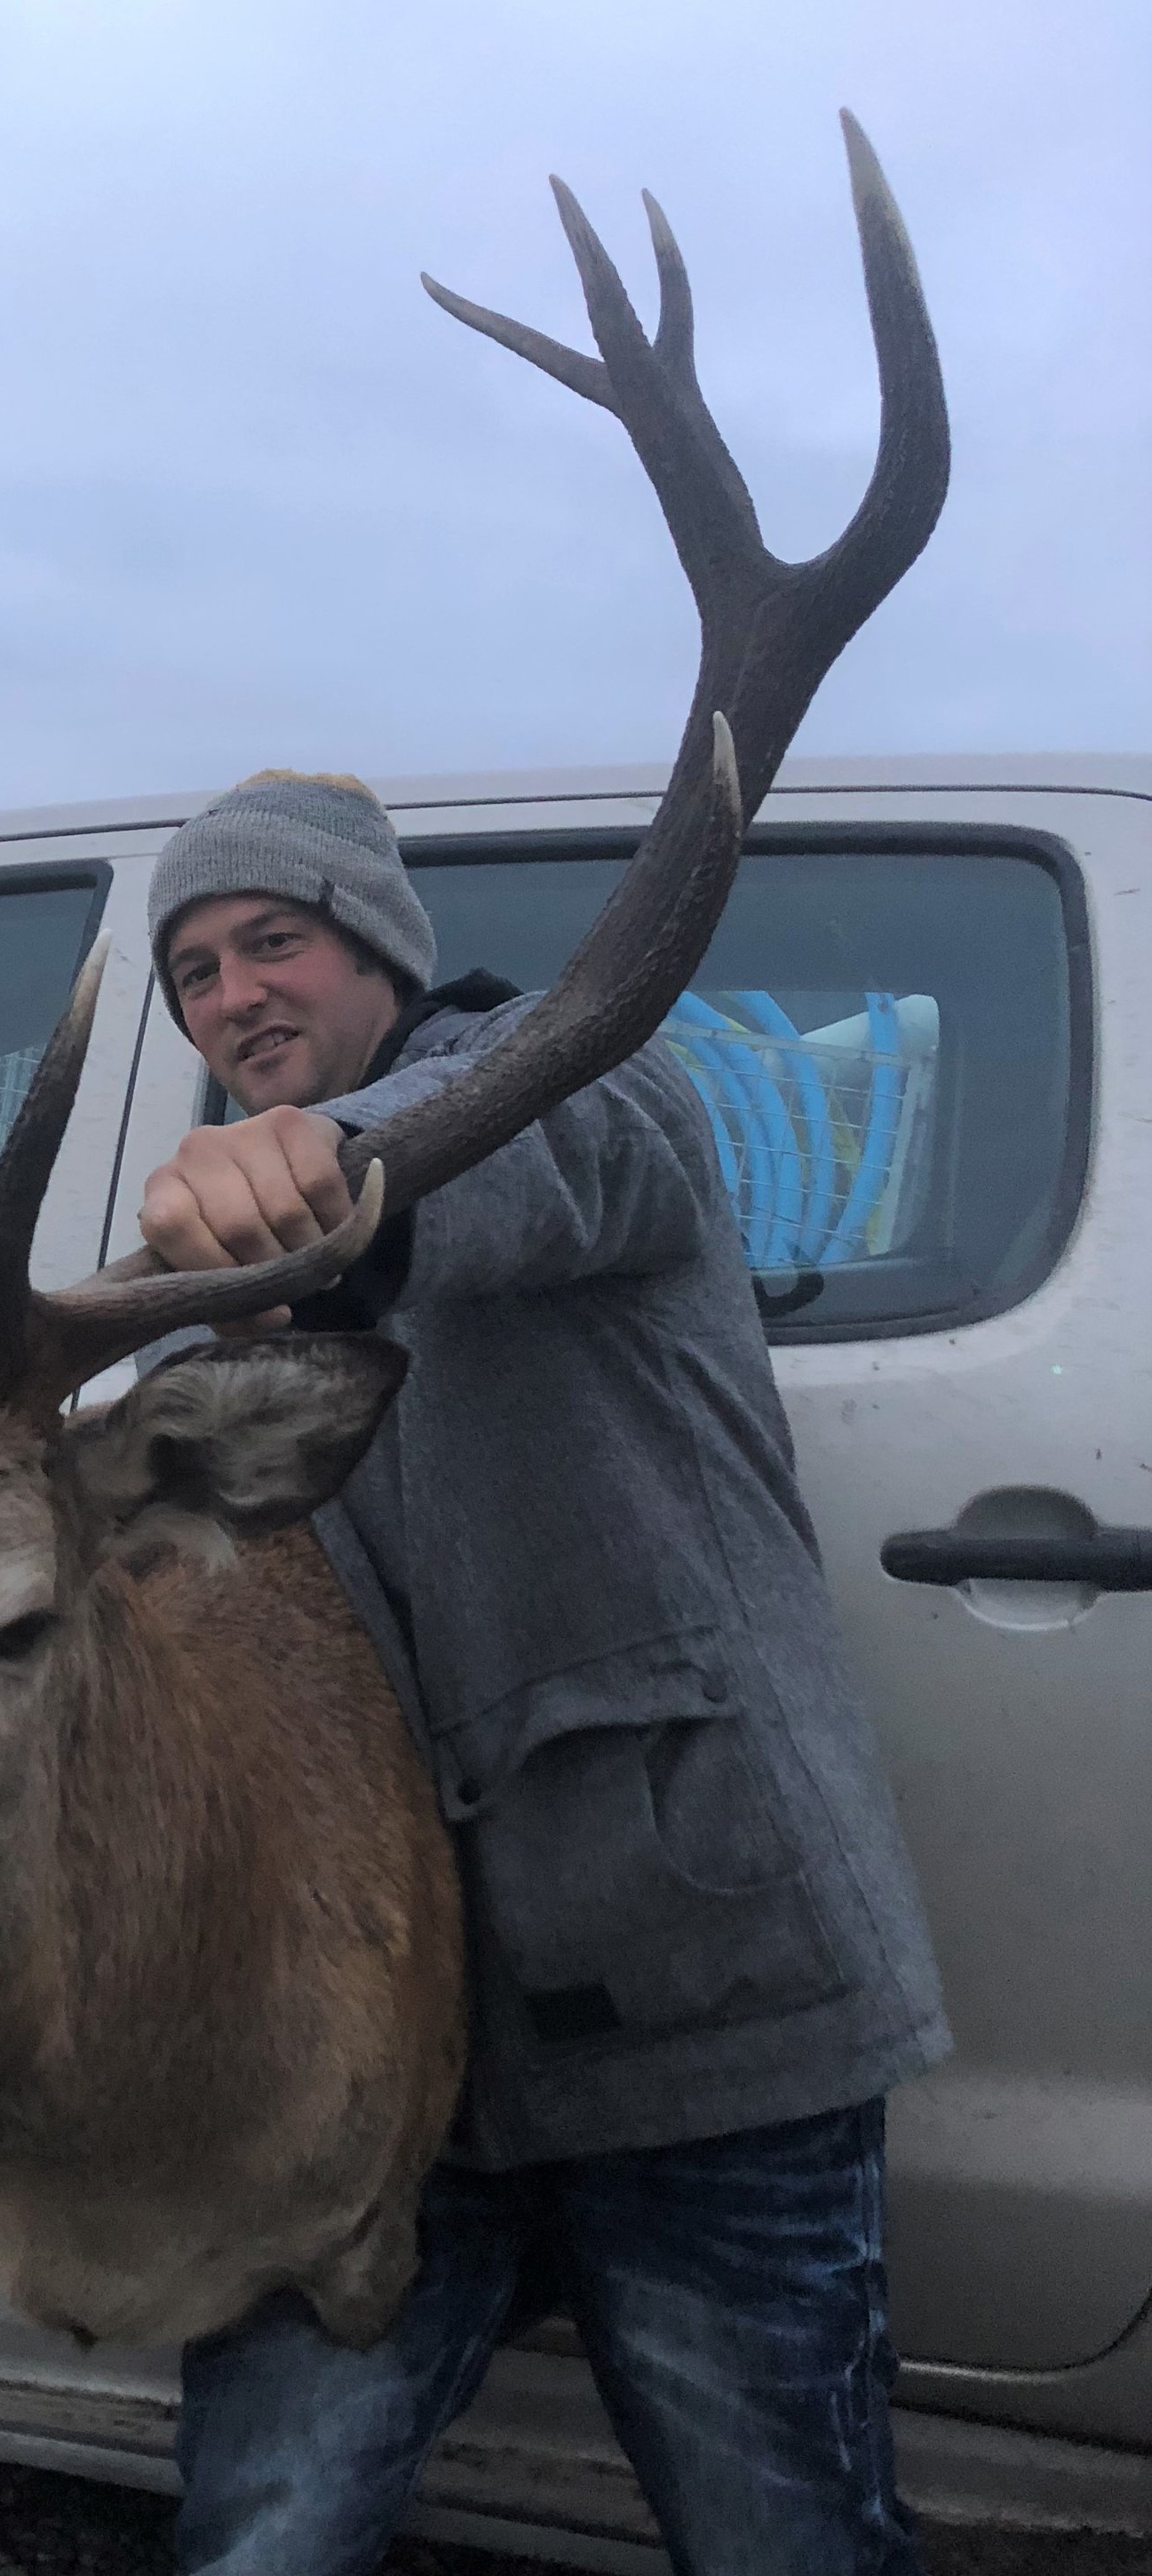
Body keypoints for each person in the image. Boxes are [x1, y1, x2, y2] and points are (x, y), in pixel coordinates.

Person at [136, 767, 949, 2576]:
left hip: (699, 2011)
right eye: (191, 970)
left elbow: (486, 1151)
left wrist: (332, 1173)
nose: (232, 992)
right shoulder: (237, 1282)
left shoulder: (591, 1091)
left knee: (786, 2538)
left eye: (274, 938)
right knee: (256, 2530)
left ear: (381, 949)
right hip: (386, 2065)